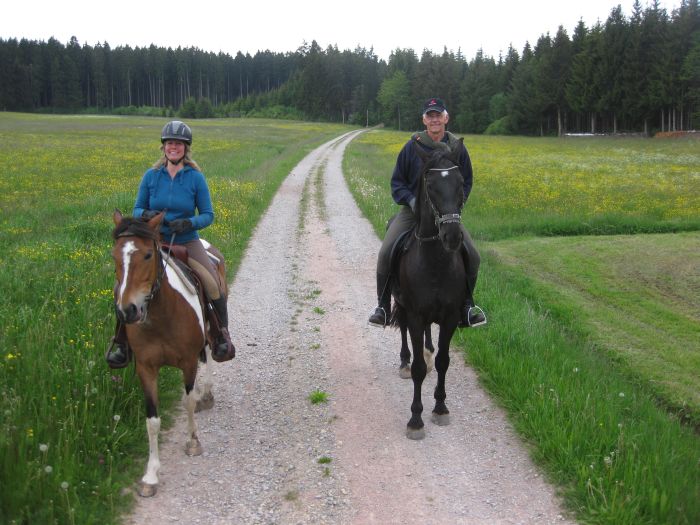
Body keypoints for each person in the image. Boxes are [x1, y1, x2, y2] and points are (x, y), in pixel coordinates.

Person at [106, 120, 234, 368]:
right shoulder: (151, 176)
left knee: (212, 284)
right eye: (169, 143)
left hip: (187, 241)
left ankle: (221, 335)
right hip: (155, 241)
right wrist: (146, 215)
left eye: (178, 144)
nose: (173, 147)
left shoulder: (196, 178)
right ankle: (122, 342)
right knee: (122, 287)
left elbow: (208, 214)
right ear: (163, 147)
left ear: (186, 148)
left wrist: (189, 223)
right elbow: (137, 208)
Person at [368, 97, 487, 329]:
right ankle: (382, 306)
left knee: (473, 255)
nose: (434, 119)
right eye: (430, 115)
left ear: (446, 118)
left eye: (438, 115)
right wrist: (412, 201)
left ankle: (467, 305)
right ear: (424, 120)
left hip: (445, 215)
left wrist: (453, 207)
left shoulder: (457, 148)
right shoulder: (412, 147)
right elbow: (397, 183)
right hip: (413, 212)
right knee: (385, 252)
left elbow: (467, 181)